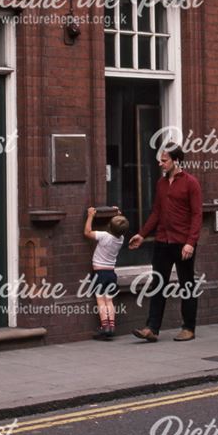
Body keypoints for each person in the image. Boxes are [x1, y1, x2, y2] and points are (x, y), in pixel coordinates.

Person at [129, 144, 203, 342]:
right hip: (162, 240)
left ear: (176, 160)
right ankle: (152, 328)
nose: (160, 163)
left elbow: (197, 215)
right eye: (160, 160)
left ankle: (188, 327)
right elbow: (156, 212)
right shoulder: (161, 184)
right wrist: (142, 235)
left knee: (186, 283)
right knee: (158, 283)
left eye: (164, 160)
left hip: (183, 243)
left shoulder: (191, 183)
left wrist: (190, 242)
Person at [83, 206, 130, 339]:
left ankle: (105, 327)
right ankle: (112, 326)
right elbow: (120, 226)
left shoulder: (104, 236)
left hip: (100, 274)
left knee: (100, 299)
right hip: (111, 274)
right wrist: (118, 213)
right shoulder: (120, 239)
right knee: (109, 300)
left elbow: (87, 232)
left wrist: (90, 215)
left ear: (109, 226)